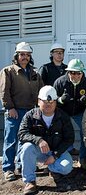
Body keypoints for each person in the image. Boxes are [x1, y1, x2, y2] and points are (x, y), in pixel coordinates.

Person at [17, 86, 74, 194]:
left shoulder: (63, 116)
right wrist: (38, 140)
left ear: (56, 102)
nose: (48, 104)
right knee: (26, 147)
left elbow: (69, 139)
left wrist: (55, 155)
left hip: (57, 151)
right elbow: (22, 133)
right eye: (45, 101)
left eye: (52, 101)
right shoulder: (30, 115)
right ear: (39, 101)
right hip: (39, 152)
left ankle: (52, 169)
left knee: (67, 167)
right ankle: (30, 181)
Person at [0, 42, 44, 181]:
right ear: (16, 55)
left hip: (31, 111)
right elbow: (4, 91)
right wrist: (9, 107)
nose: (25, 57)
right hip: (15, 111)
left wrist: (39, 109)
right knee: (11, 140)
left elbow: (41, 91)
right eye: (22, 54)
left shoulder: (35, 72)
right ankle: (8, 168)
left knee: (26, 140)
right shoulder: (8, 71)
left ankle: (22, 164)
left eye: (27, 55)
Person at [53, 58, 86, 169]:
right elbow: (51, 100)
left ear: (82, 72)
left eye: (79, 73)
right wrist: (60, 100)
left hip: (80, 112)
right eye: (72, 72)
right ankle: (61, 157)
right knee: (58, 134)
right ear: (68, 72)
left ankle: (82, 158)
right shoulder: (59, 82)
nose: (76, 76)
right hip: (63, 113)